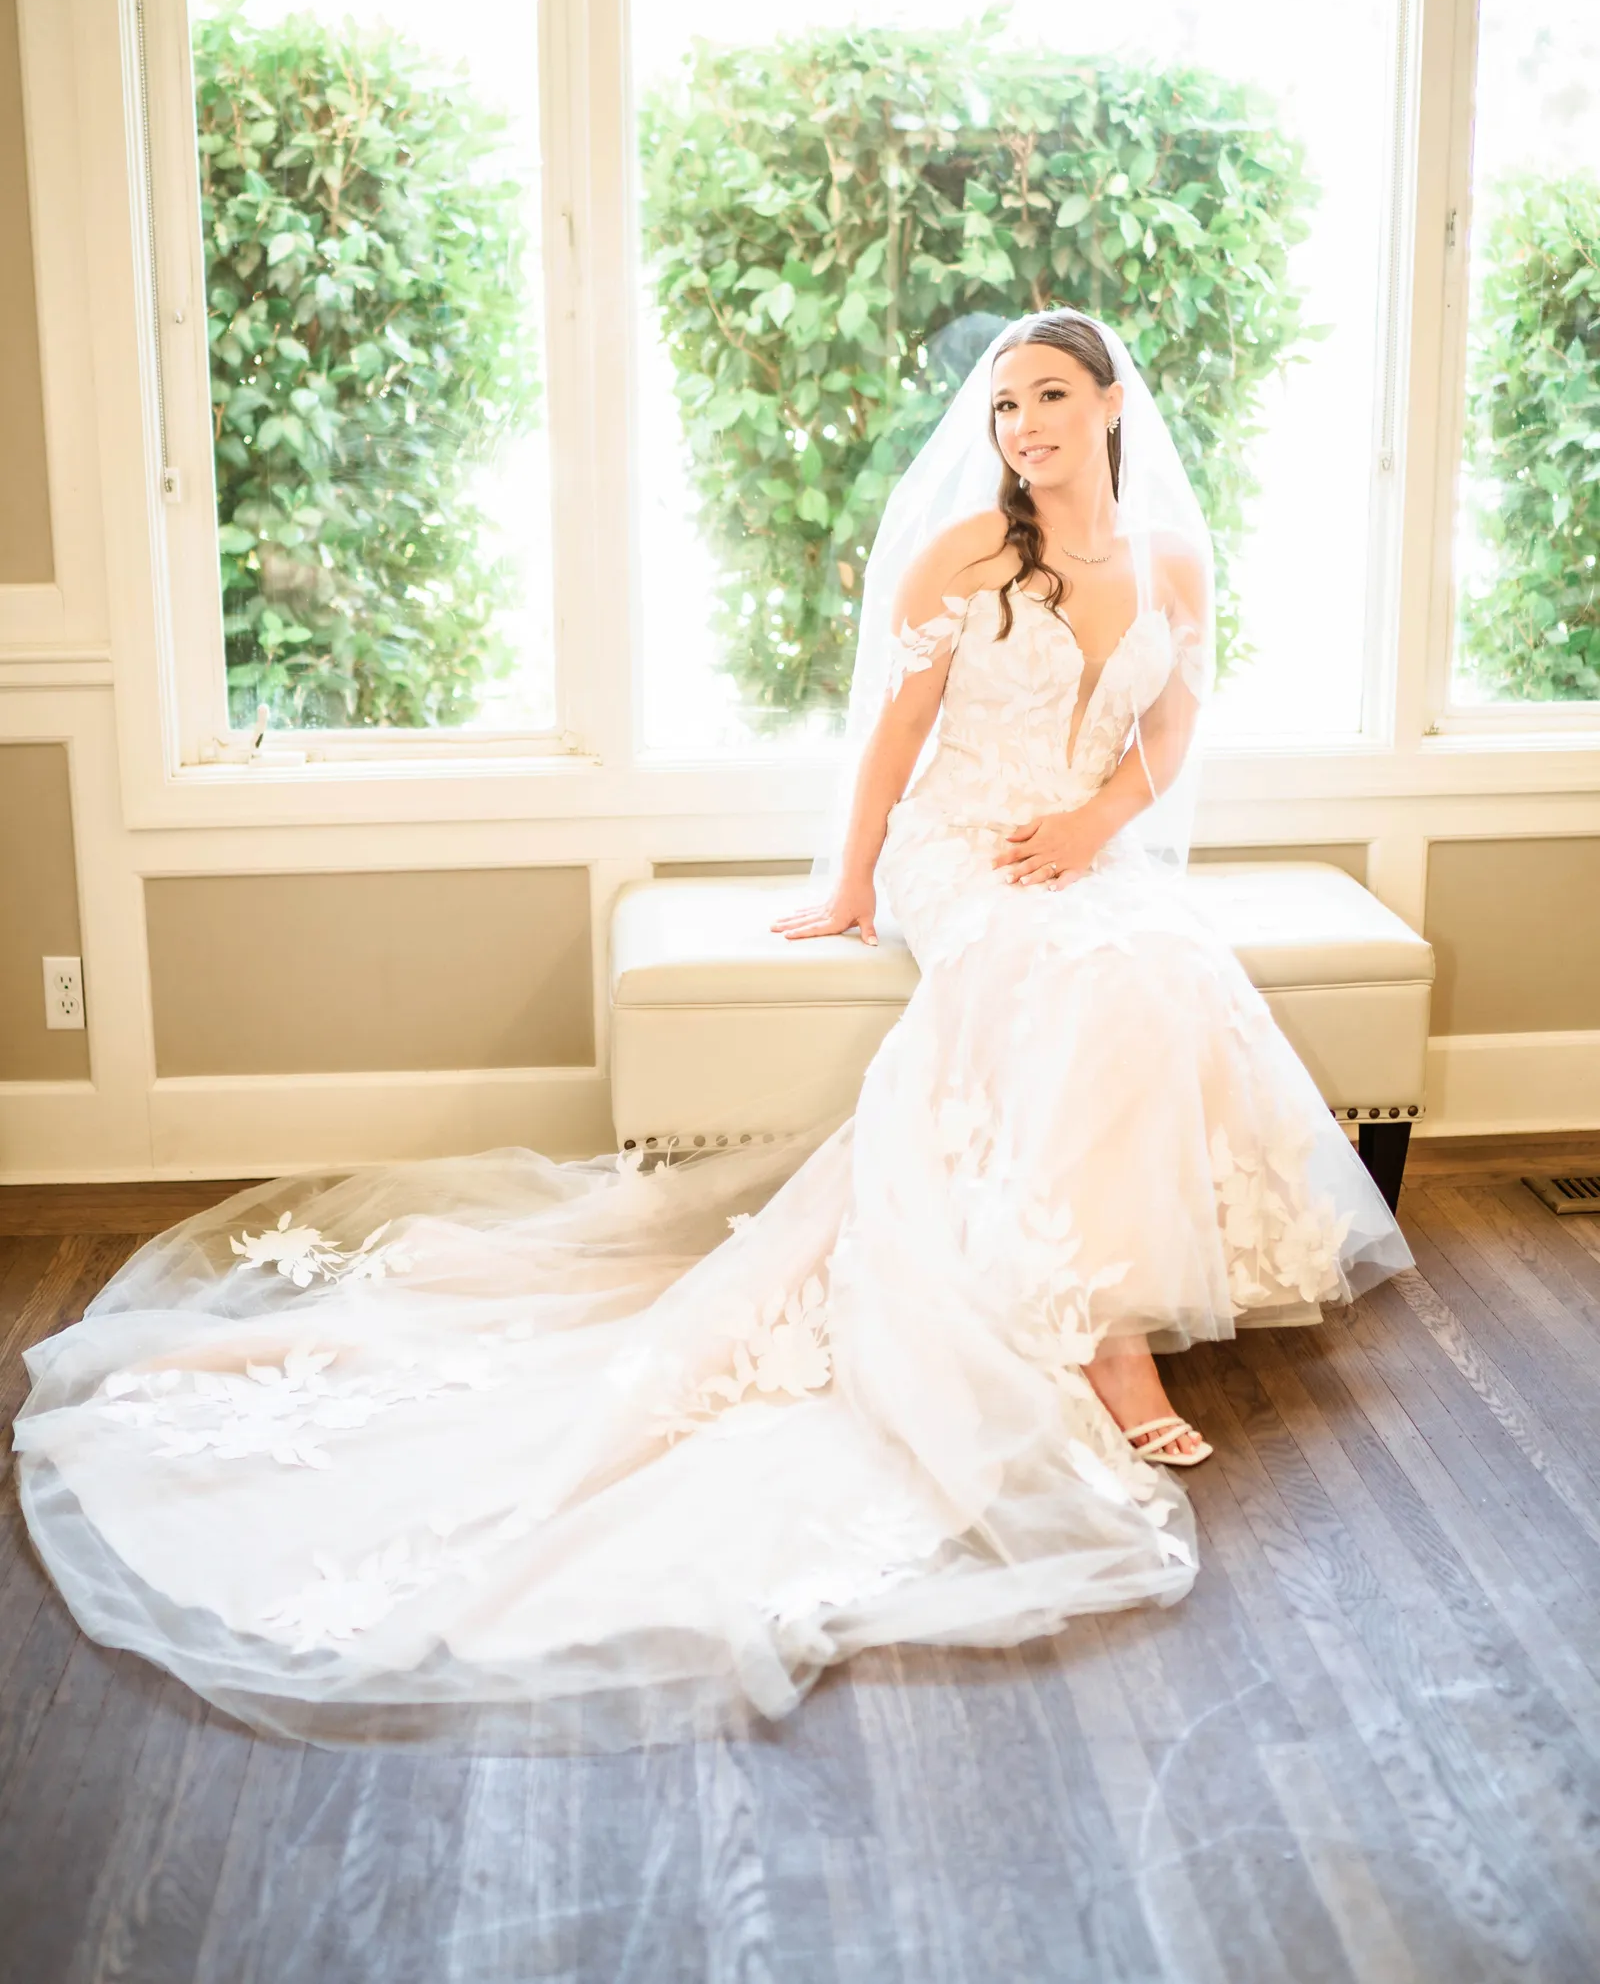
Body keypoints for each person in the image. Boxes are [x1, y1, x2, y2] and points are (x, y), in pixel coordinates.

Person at [14, 311, 1410, 1752]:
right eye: (1005, 407)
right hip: (964, 844)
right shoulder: (966, 559)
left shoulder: (1176, 561)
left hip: (1081, 841)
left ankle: (1092, 1278)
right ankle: (1110, 1337)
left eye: (1051, 396)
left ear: (1113, 402)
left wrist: (1096, 825)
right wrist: (858, 880)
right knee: (1072, 974)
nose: (1025, 427)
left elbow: (1165, 741)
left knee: (1156, 964)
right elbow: (892, 734)